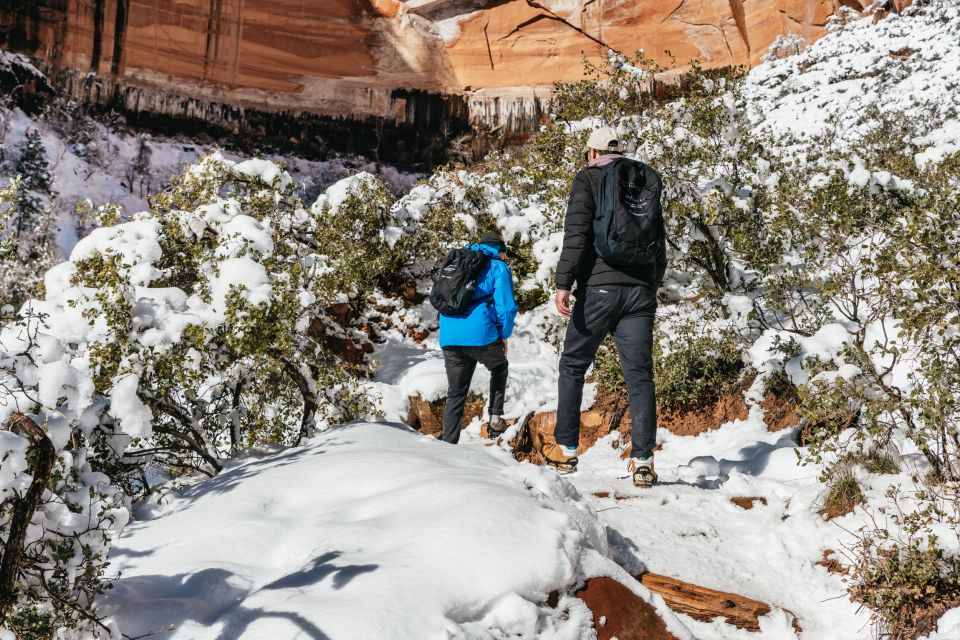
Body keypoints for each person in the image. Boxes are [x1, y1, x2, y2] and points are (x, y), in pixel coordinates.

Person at [543, 126, 666, 486]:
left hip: (598, 288)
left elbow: (577, 235)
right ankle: (643, 461)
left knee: (573, 366)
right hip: (640, 292)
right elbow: (658, 238)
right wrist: (651, 286)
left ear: (592, 153)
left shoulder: (589, 178)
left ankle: (566, 451)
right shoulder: (642, 179)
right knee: (640, 377)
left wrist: (564, 283)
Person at [438, 231, 519, 444]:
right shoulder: (498, 267)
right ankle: (495, 419)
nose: (505, 257)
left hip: (449, 335)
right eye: (505, 253)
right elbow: (507, 308)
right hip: (481, 334)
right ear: (500, 251)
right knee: (499, 367)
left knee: (455, 393)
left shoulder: (457, 262)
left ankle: (448, 443)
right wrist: (503, 335)